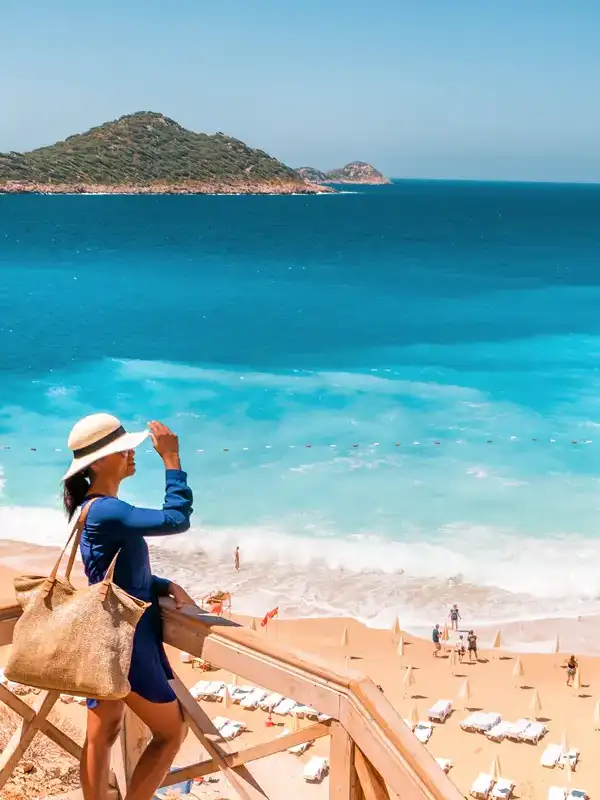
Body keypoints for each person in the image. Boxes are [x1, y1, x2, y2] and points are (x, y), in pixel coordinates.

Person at [62, 413, 195, 800]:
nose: (133, 454)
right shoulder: (107, 510)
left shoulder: (92, 508)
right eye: (124, 450)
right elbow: (176, 520)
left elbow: (112, 574)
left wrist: (164, 584)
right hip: (126, 644)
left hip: (102, 637)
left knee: (102, 735)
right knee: (170, 733)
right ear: (99, 462)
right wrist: (172, 460)